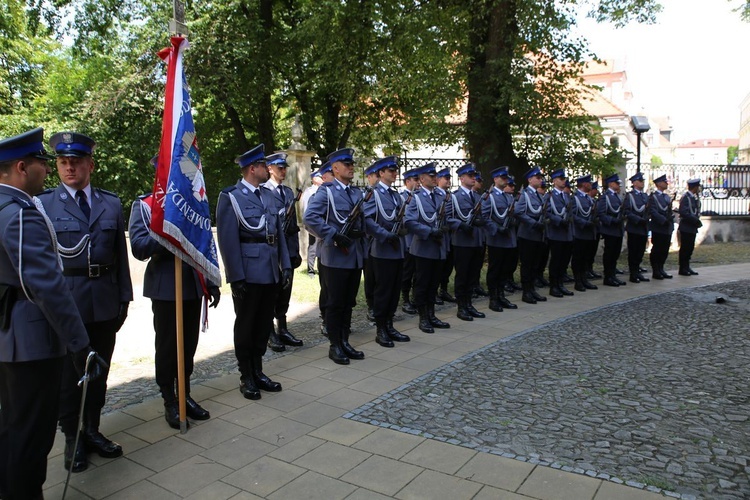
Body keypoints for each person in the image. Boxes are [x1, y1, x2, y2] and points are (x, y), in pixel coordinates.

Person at [0, 127, 104, 499]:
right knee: (31, 436)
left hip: (10, 334)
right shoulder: (20, 214)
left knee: (13, 428)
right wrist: (80, 343)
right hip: (31, 341)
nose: (48, 170)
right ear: (21, 167)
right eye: (44, 163)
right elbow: (46, 285)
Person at [37, 132, 133, 473]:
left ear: (90, 164)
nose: (69, 168)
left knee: (99, 374)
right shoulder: (44, 204)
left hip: (105, 300)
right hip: (68, 304)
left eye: (76, 162)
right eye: (63, 162)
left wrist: (125, 296)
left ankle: (92, 430)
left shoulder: (110, 202)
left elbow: (120, 256)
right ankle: (72, 440)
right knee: (69, 377)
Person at [129, 180, 220, 425]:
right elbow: (138, 247)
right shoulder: (146, 205)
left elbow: (205, 244)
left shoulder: (192, 205)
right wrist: (169, 234)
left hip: (191, 283)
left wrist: (211, 282)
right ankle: (170, 400)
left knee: (188, 346)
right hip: (165, 286)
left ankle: (185, 395)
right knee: (168, 347)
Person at [216, 144, 291, 398]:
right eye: (262, 166)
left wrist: (286, 265)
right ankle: (245, 374)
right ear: (252, 169)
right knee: (246, 324)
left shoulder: (268, 195)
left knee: (263, 323)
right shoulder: (231, 197)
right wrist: (235, 276)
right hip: (248, 272)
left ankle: (258, 370)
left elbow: (278, 233)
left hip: (270, 269)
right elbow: (227, 241)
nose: (267, 170)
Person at [304, 148, 367, 365]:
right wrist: (334, 235)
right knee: (335, 303)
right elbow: (310, 217)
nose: (351, 168)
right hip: (335, 256)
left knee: (349, 302)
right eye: (347, 164)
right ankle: (334, 345)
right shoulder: (327, 191)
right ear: (335, 168)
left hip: (354, 255)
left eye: (352, 164)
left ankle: (345, 340)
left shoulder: (356, 193)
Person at [404, 162, 458, 332]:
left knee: (434, 283)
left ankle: (431, 314)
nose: (435, 178)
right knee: (422, 283)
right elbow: (409, 221)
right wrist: (429, 231)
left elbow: (446, 218)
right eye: (431, 176)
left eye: (435, 175)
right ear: (421, 178)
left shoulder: (440, 197)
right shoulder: (416, 197)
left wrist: (448, 226)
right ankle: (423, 317)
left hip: (439, 247)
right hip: (423, 247)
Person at [363, 156, 410, 348]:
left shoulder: (395, 195)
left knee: (394, 290)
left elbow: (401, 219)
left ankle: (390, 325)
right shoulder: (373, 194)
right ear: (381, 173)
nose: (394, 173)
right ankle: (381, 329)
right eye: (390, 170)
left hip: (397, 248)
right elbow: (367, 220)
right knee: (383, 291)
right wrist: (385, 235)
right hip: (382, 249)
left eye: (395, 170)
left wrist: (403, 229)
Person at [262, 152, 304, 352]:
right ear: (269, 168)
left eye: (285, 167)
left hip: (288, 250)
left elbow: (293, 225)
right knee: (271, 292)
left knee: (285, 292)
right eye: (279, 167)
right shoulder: (262, 192)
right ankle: (269, 332)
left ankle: (283, 328)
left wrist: (295, 251)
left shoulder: (288, 192)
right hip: (272, 252)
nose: (283, 170)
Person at [450, 163, 487, 320]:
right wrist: (461, 225)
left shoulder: (477, 197)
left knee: (473, 274)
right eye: (470, 176)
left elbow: (484, 215)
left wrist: (480, 221)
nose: (474, 179)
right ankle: (461, 306)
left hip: (476, 241)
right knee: (463, 275)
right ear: (462, 178)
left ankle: (469, 303)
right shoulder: (455, 196)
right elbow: (448, 217)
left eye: (474, 176)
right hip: (462, 241)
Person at [482, 167, 518, 311]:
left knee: (505, 269)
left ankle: (501, 295)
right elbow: (484, 216)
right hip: (496, 239)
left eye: (506, 178)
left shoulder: (508, 196)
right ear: (495, 179)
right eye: (502, 178)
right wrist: (496, 229)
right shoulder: (489, 196)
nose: (505, 180)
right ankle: (493, 298)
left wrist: (513, 221)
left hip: (508, 238)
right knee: (495, 269)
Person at [515, 167, 548, 304]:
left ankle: (532, 289)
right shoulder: (525, 194)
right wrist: (533, 223)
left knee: (535, 264)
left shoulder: (539, 195)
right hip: (528, 234)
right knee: (527, 264)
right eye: (538, 178)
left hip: (538, 235)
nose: (540, 180)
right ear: (530, 179)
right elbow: (518, 211)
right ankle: (526, 292)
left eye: (541, 178)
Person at [544, 169, 574, 297]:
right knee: (556, 260)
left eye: (564, 179)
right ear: (555, 181)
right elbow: (546, 212)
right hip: (556, 232)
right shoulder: (549, 196)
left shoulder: (566, 196)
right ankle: (554, 286)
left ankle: (560, 283)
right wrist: (558, 220)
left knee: (564, 260)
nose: (563, 181)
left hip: (567, 233)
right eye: (561, 179)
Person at [597, 173, 626, 287]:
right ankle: (608, 277)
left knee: (615, 254)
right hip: (610, 230)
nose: (618, 185)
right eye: (616, 183)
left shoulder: (617, 196)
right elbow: (601, 214)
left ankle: (612, 275)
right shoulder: (606, 196)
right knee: (609, 254)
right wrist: (613, 221)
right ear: (610, 184)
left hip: (618, 230)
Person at [570, 174, 598, 292]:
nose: (591, 185)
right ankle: (578, 280)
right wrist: (584, 223)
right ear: (584, 184)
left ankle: (584, 278)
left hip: (589, 233)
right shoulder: (575, 198)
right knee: (578, 258)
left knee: (586, 257)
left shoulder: (589, 198)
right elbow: (572, 215)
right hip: (580, 232)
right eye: (589, 183)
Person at [623, 172, 651, 283]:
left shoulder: (645, 196)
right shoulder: (630, 196)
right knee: (633, 251)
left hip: (643, 227)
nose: (642, 182)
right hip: (634, 227)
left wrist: (647, 217)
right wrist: (638, 219)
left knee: (640, 251)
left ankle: (638, 271)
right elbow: (627, 212)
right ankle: (633, 273)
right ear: (634, 183)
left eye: (642, 181)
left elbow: (648, 209)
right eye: (640, 181)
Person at [400, 168, 420, 315]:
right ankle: (405, 299)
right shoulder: (401, 197)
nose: (418, 183)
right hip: (408, 240)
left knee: (418, 272)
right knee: (407, 272)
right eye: (415, 180)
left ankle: (416, 297)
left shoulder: (420, 196)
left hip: (420, 239)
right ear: (408, 182)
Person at [435, 167, 456, 304]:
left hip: (450, 235)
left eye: (449, 178)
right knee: (438, 265)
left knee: (448, 265)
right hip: (439, 235)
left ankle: (443, 289)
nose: (449, 181)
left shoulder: (450, 195)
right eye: (446, 178)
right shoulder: (436, 194)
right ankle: (435, 291)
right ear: (438, 180)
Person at [363, 167, 380, 322]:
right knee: (370, 277)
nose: (378, 178)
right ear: (369, 177)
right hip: (369, 242)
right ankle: (371, 306)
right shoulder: (367, 195)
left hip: (378, 242)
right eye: (375, 175)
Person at [649, 174, 674, 279]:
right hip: (659, 227)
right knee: (657, 249)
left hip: (667, 228)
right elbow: (653, 211)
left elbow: (669, 210)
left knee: (665, 249)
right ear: (658, 184)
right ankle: (656, 270)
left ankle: (661, 268)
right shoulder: (653, 197)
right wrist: (663, 220)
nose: (666, 183)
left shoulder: (666, 197)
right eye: (664, 182)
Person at [678, 178, 702, 276]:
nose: (699, 189)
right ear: (695, 187)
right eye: (698, 187)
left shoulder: (693, 197)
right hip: (686, 227)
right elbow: (684, 212)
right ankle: (682, 268)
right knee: (685, 248)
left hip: (692, 227)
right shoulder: (686, 197)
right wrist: (695, 221)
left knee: (690, 248)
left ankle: (687, 266)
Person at [302, 170, 323, 276]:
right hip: (313, 222)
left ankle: (320, 266)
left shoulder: (323, 190)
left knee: (320, 245)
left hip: (322, 222)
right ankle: (310, 268)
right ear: (314, 179)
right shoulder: (309, 192)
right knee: (313, 245)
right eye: (320, 177)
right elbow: (306, 208)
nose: (322, 179)